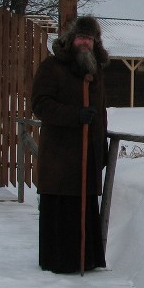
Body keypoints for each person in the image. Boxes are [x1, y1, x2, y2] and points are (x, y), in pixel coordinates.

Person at [31, 15, 109, 273]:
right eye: (80, 37)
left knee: (84, 208)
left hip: (88, 155)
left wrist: (102, 148)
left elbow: (101, 112)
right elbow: (41, 104)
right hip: (60, 157)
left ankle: (87, 259)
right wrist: (75, 115)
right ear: (70, 39)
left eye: (89, 38)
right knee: (63, 209)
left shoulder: (94, 70)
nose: (84, 42)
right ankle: (61, 261)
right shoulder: (52, 67)